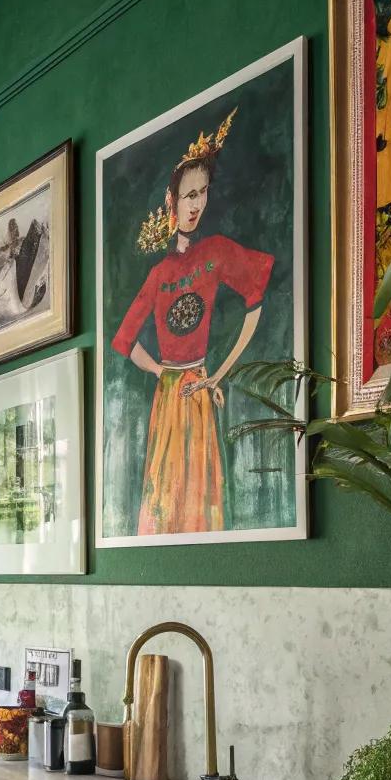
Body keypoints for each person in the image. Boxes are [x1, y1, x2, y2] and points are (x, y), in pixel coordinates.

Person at [110, 109, 274, 535]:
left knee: (201, 502)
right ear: (172, 202)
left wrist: (218, 375)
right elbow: (125, 340)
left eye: (202, 193)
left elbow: (256, 301)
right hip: (169, 397)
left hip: (199, 390)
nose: (196, 204)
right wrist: (160, 369)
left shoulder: (216, 252)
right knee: (166, 500)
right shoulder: (158, 275)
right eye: (188, 195)